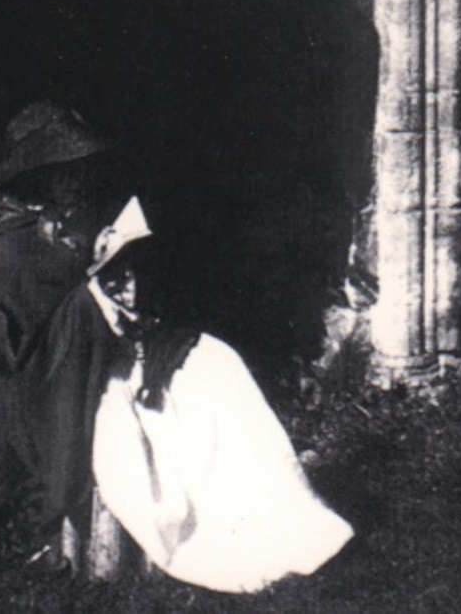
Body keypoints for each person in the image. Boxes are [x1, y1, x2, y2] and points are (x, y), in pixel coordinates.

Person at [89, 201, 354, 594]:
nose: (126, 286)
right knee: (123, 434)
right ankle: (168, 521)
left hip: (176, 365)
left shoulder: (169, 313)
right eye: (115, 277)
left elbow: (170, 333)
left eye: (131, 274)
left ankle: (256, 515)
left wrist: (164, 356)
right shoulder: (95, 314)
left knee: (221, 395)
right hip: (129, 385)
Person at [0, 101, 122, 567]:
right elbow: (48, 296)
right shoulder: (6, 240)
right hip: (39, 379)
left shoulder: (62, 217)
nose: (77, 180)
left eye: (80, 169)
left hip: (78, 367)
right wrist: (90, 269)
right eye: (64, 170)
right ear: (36, 175)